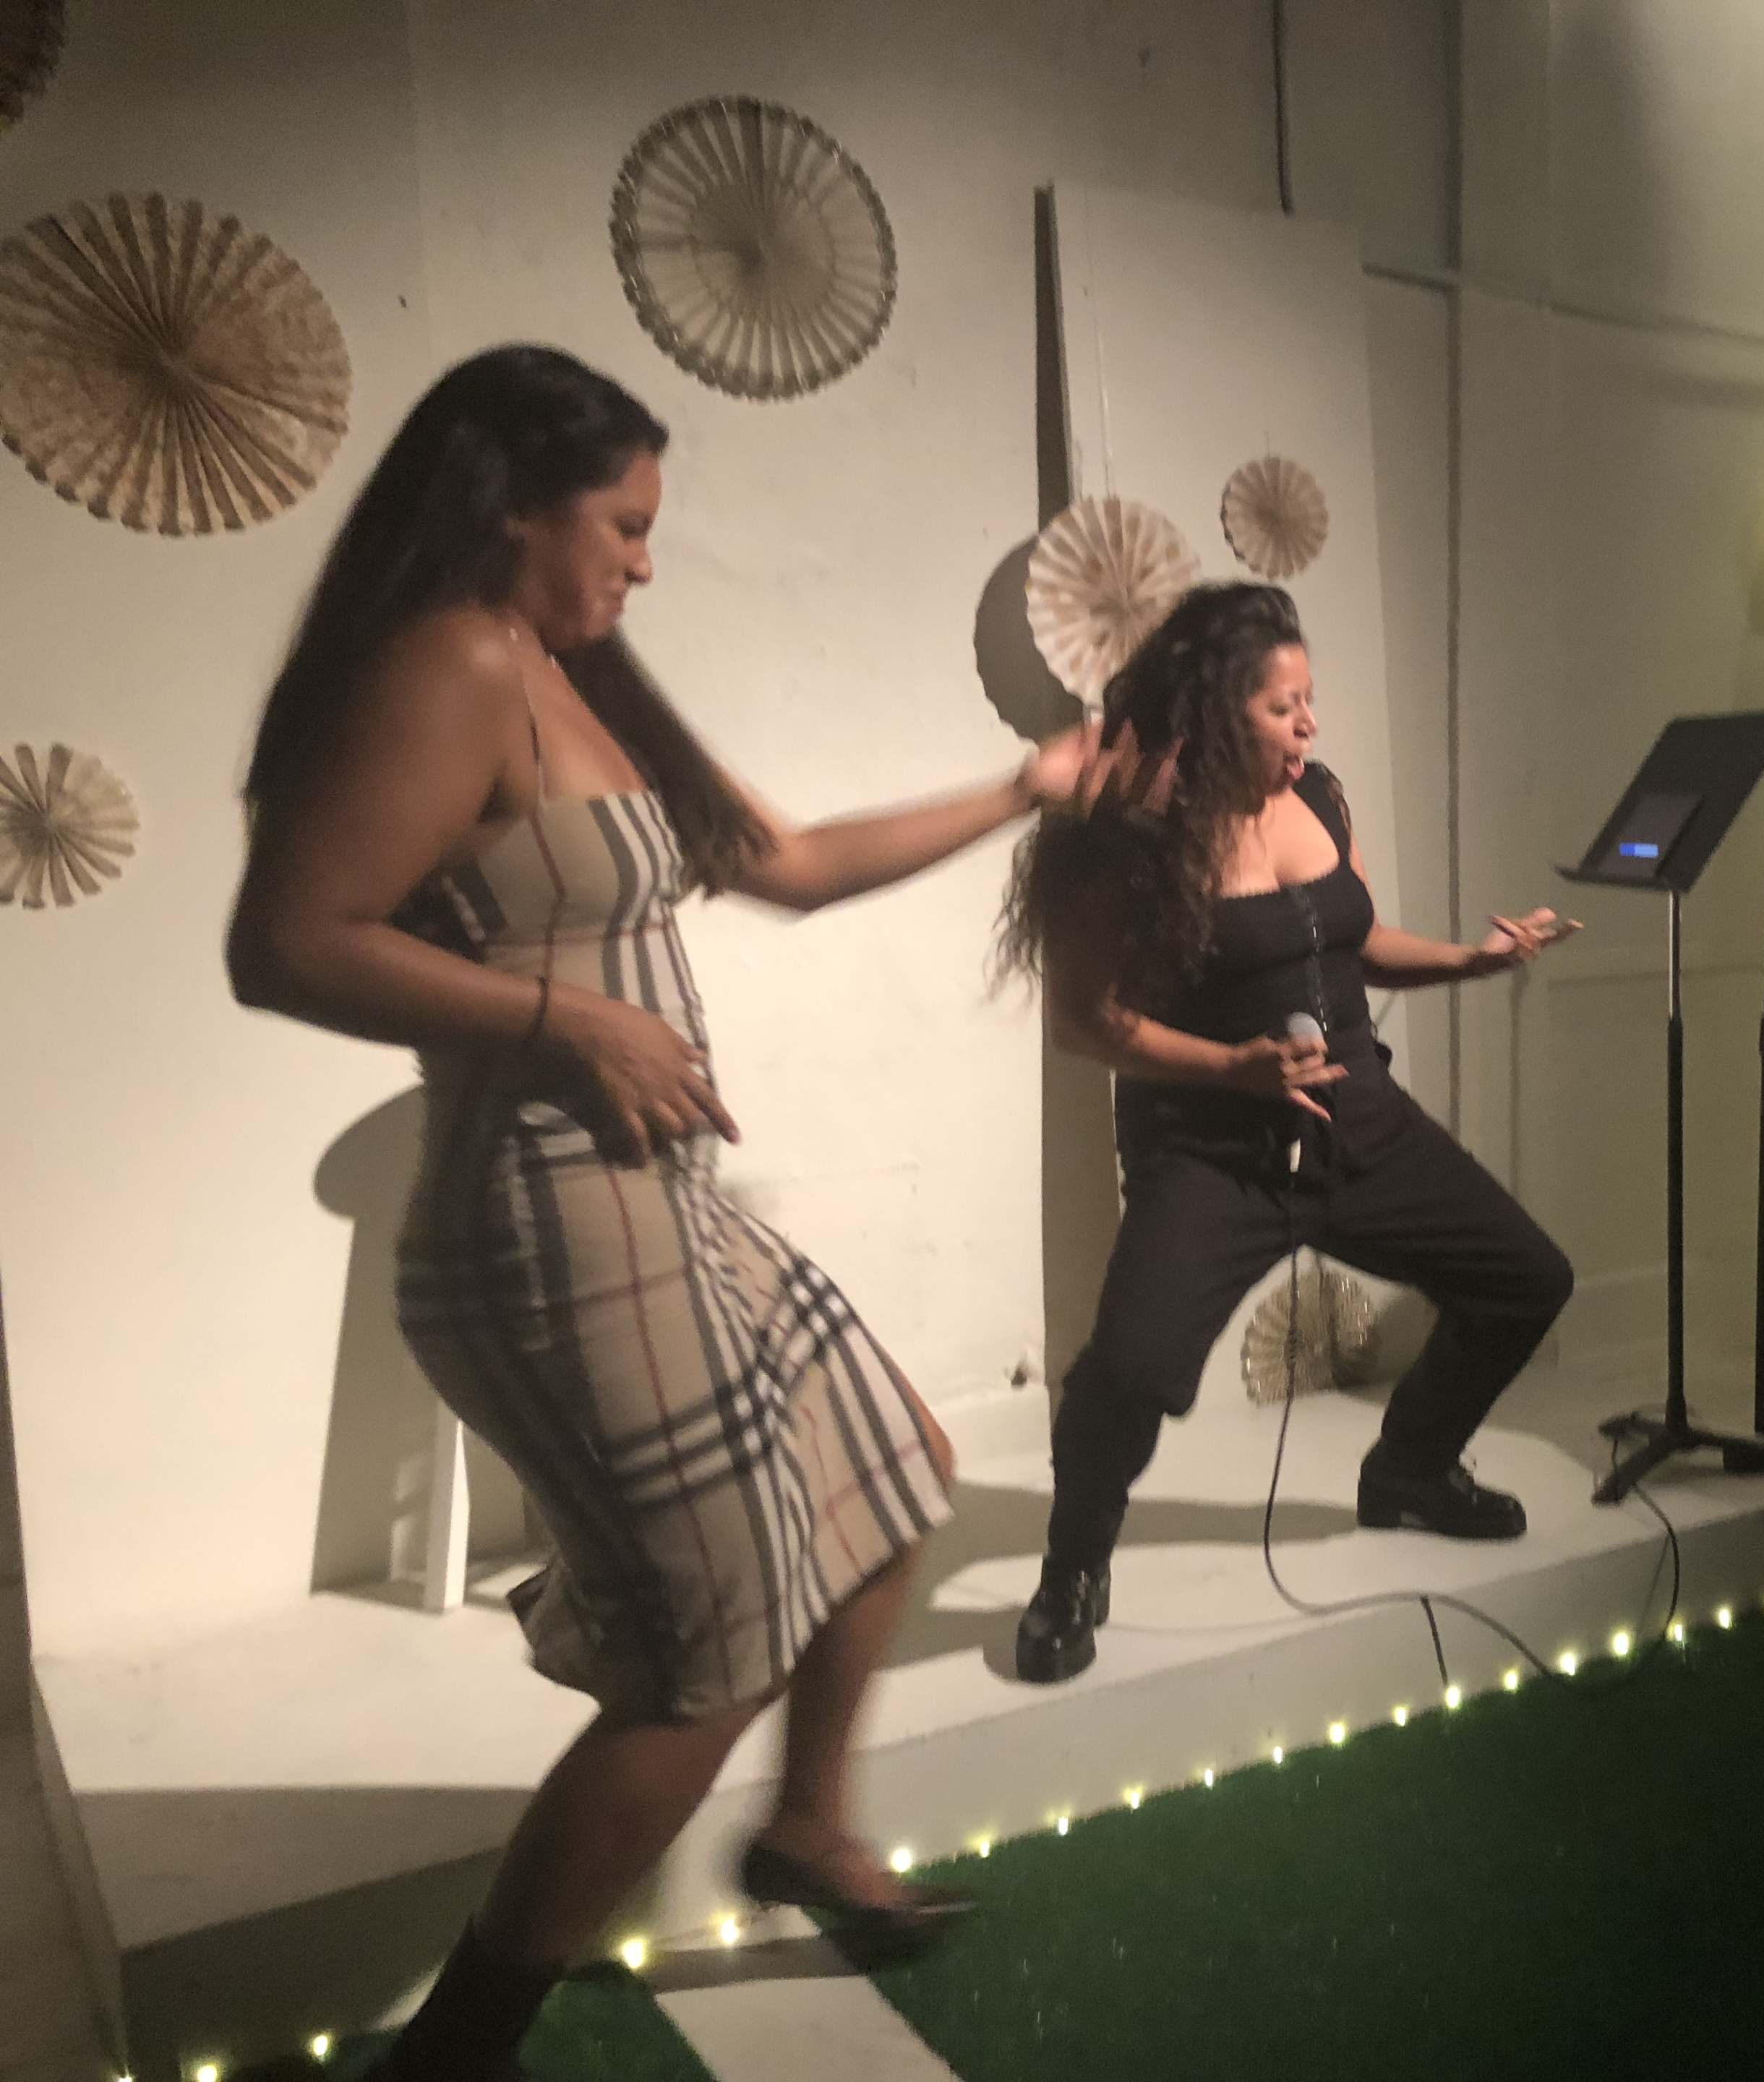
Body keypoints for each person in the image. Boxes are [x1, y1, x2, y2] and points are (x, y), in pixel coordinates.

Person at [227, 345, 1107, 2079]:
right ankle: (458, 2048)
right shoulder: (452, 662)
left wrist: (1026, 786)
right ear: (507, 506)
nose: (644, 558)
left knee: (890, 1471)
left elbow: (780, 864)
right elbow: (289, 939)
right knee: (702, 1662)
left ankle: (807, 1831)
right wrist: (565, 1018)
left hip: (667, 1208)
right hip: (548, 1226)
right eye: (621, 522)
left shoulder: (571, 673)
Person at [996, 581, 1577, 1684]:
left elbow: (1355, 937)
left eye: (1310, 699)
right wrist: (1233, 1068)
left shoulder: (1319, 798)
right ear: (1216, 712)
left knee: (1526, 1280)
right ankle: (1072, 1570)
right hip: (1210, 1152)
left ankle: (1410, 1467)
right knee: (1127, 1369)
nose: (1308, 723)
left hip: (1360, 1123)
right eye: (1282, 705)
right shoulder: (1117, 835)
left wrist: (1474, 959)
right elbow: (1086, 1023)